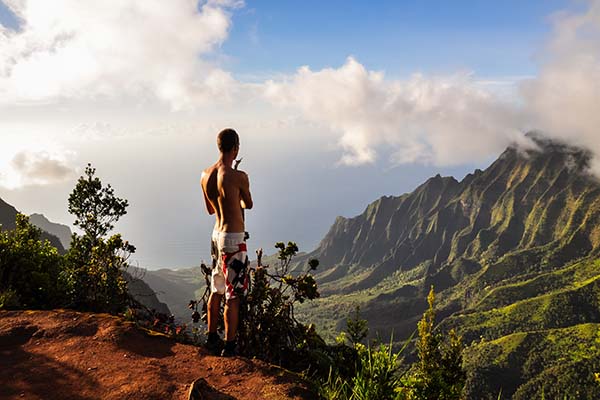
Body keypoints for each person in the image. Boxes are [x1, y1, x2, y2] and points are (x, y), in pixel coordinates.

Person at [200, 128, 253, 357]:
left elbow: (210, 209)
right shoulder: (239, 177)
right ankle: (229, 346)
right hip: (233, 238)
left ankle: (211, 337)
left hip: (216, 236)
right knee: (233, 294)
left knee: (216, 287)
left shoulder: (205, 175)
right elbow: (248, 204)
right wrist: (238, 190)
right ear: (236, 148)